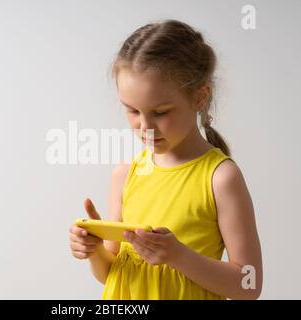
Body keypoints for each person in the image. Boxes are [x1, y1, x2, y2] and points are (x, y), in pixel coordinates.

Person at [69, 19, 262, 300]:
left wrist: (177, 255)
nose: (144, 125)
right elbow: (112, 274)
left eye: (160, 112)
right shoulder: (125, 175)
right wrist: (94, 251)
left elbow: (249, 285)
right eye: (132, 110)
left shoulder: (220, 178)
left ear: (199, 97)